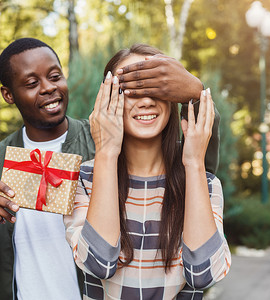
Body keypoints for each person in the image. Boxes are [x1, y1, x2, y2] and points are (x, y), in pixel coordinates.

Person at [0, 38, 220, 300]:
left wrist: (195, 94)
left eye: (54, 76)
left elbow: (190, 170)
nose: (48, 87)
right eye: (31, 82)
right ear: (8, 94)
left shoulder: (106, 141)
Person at [64, 44, 231, 299]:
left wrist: (195, 163)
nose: (145, 101)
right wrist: (106, 151)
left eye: (156, 88)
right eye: (130, 89)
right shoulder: (82, 179)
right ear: (108, 99)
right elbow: (100, 264)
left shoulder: (204, 183)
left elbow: (203, 274)